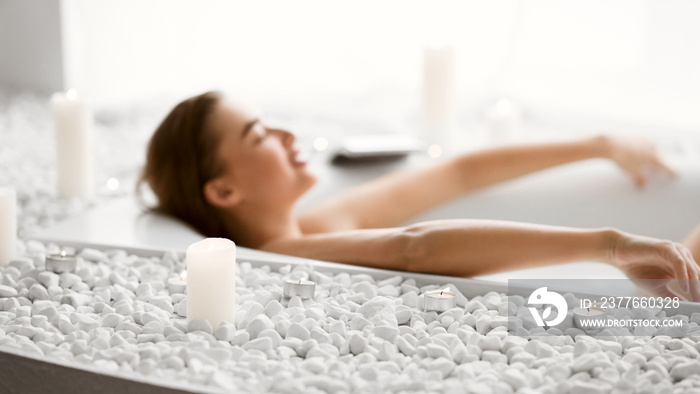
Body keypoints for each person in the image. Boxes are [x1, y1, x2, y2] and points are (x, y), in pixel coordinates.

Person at [138, 91, 700, 300]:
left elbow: (455, 175)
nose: (287, 134)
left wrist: (600, 143)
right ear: (224, 189)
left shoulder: (318, 224)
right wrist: (611, 245)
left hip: (602, 312)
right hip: (605, 322)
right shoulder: (285, 254)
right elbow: (417, 248)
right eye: (259, 135)